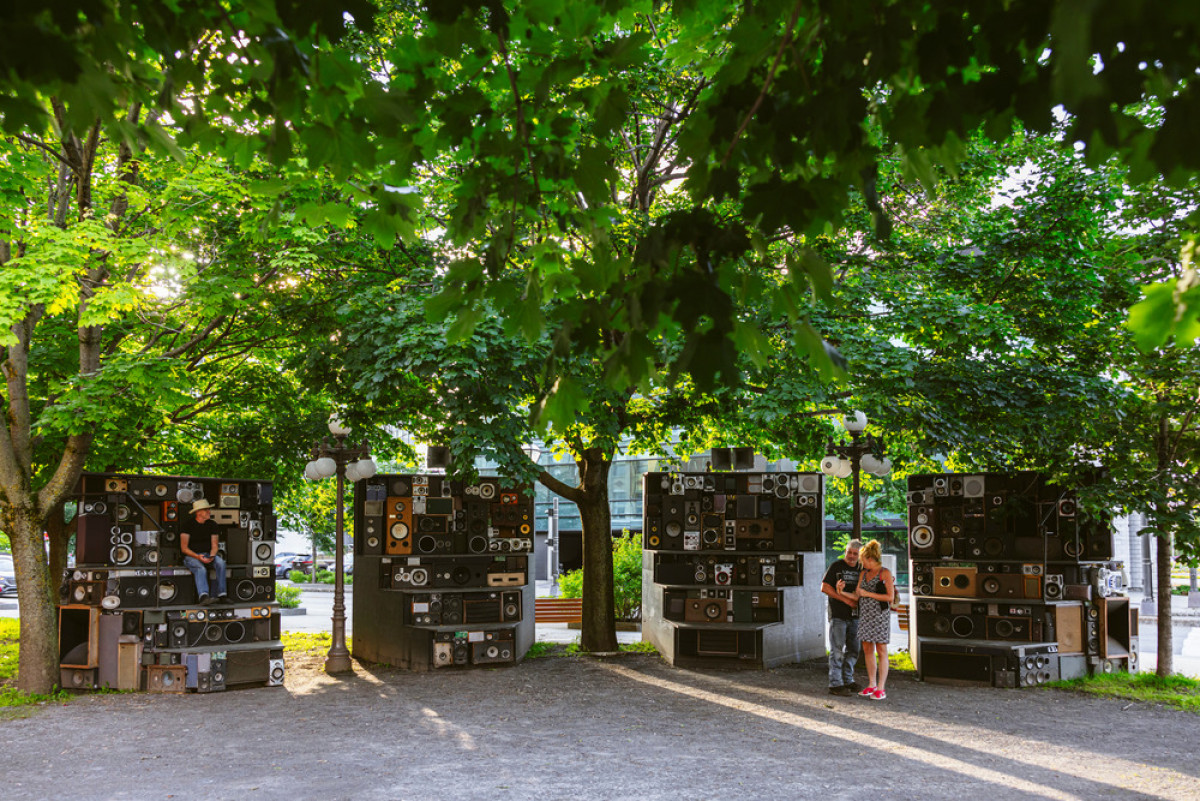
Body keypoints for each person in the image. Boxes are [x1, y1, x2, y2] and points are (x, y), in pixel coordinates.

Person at [855, 539, 895, 700]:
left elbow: (890, 597)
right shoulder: (863, 574)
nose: (861, 563)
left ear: (870, 558)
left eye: (862, 560)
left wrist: (867, 594)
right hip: (865, 615)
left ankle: (881, 688)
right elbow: (858, 594)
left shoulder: (884, 573)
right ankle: (871, 684)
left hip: (879, 616)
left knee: (881, 650)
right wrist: (841, 592)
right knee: (867, 649)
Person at [820, 539, 862, 696]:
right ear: (845, 552)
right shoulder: (836, 566)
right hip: (839, 615)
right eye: (849, 552)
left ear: (859, 555)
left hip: (856, 616)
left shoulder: (862, 568)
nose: (851, 556)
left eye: (855, 554)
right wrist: (845, 600)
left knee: (854, 650)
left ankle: (848, 680)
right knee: (837, 650)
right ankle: (835, 684)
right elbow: (824, 587)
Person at [181, 499, 227, 605]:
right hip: (191, 556)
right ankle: (204, 596)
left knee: (221, 563)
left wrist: (211, 556)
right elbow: (184, 548)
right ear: (198, 512)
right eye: (206, 510)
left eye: (208, 509)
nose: (209, 512)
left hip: (207, 554)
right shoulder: (187, 526)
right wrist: (198, 557)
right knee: (200, 568)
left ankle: (222, 595)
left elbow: (215, 545)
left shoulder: (212, 524)